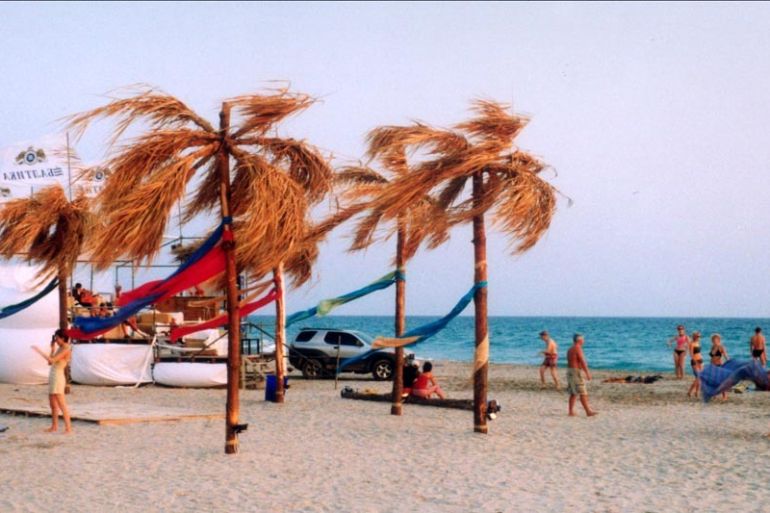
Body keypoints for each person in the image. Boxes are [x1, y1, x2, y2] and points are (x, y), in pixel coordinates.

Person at [31, 329, 73, 434]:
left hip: (58, 376)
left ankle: (68, 428)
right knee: (53, 404)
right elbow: (50, 363)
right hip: (53, 375)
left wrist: (39, 351)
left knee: (61, 403)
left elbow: (52, 360)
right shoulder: (60, 348)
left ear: (62, 338)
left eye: (57, 338)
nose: (56, 340)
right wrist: (52, 349)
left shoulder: (66, 348)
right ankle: (54, 426)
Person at [566, 333, 598, 417]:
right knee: (583, 392)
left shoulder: (570, 349)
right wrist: (587, 373)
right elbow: (582, 361)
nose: (584, 341)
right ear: (579, 340)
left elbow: (574, 361)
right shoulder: (578, 348)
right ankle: (588, 411)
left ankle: (570, 411)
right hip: (575, 372)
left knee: (574, 393)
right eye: (583, 339)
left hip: (570, 371)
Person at [709, 333, 729, 401]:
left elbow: (726, 356)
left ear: (719, 340)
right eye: (713, 339)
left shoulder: (721, 347)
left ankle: (725, 396)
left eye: (716, 339)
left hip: (719, 365)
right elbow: (712, 356)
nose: (714, 341)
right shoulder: (712, 347)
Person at [687, 331, 704, 398]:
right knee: (698, 377)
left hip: (700, 360)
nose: (699, 337)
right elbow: (691, 354)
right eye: (697, 336)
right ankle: (690, 391)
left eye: (699, 336)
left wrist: (701, 360)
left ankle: (696, 392)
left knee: (700, 378)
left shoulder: (698, 343)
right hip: (695, 361)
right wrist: (695, 361)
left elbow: (699, 353)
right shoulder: (691, 344)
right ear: (694, 336)